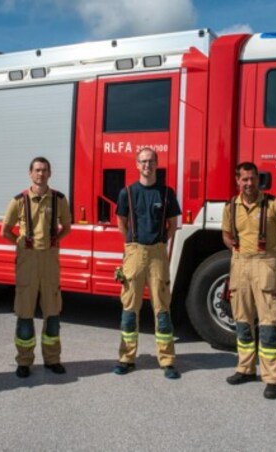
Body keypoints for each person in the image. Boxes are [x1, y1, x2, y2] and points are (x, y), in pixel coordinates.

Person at [221, 162, 276, 399]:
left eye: (253, 179)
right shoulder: (231, 206)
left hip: (265, 263)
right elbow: (226, 234)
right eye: (245, 179)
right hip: (240, 264)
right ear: (237, 181)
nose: (249, 183)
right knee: (241, 320)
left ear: (258, 179)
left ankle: (272, 378)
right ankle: (245, 368)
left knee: (269, 323)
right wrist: (230, 244)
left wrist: (273, 258)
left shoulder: (274, 204)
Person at [112, 147, 182, 379]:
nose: (147, 165)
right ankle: (126, 358)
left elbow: (172, 224)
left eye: (151, 161)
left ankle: (167, 360)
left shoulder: (166, 193)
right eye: (143, 161)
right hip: (135, 253)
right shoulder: (127, 193)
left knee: (162, 309)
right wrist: (132, 244)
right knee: (130, 309)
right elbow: (121, 222)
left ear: (157, 163)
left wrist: (159, 242)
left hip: (158, 254)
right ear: (136, 164)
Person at [1, 156, 71, 378]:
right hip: (27, 262)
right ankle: (24, 361)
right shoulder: (18, 201)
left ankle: (52, 359)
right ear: (30, 173)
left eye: (45, 170)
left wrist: (54, 240)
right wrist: (22, 246)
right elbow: (5, 231)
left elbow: (67, 227)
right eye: (37, 170)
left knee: (52, 312)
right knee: (25, 313)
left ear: (50, 174)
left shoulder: (59, 199)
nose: (41, 174)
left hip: (50, 262)